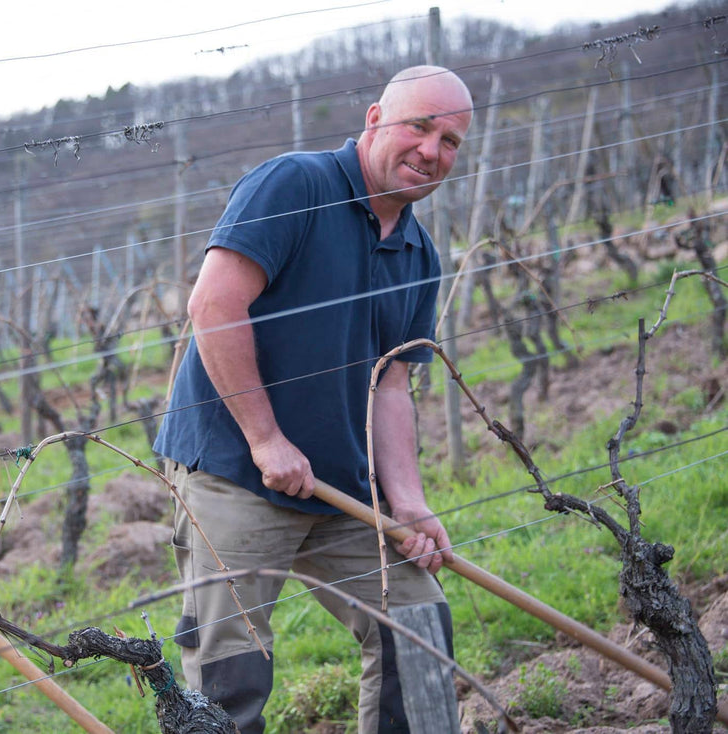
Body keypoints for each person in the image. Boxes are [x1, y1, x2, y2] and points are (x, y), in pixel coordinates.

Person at [153, 66, 474, 733]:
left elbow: (392, 384)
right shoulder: (295, 184)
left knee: (417, 624)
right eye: (419, 127)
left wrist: (409, 502)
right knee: (230, 673)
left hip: (340, 490)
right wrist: (266, 439)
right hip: (235, 473)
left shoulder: (417, 253)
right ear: (375, 118)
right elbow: (214, 306)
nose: (431, 151)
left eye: (450, 141)